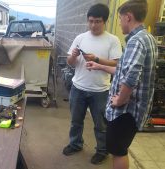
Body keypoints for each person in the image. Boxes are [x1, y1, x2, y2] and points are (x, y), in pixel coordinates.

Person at [86, 0, 157, 168]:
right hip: (134, 110)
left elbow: (132, 76)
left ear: (128, 17)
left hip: (126, 111)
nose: (119, 22)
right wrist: (99, 66)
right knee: (120, 149)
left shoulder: (135, 41)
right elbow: (124, 70)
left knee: (117, 150)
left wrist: (121, 99)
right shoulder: (148, 38)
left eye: (119, 18)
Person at [63, 3, 122, 165]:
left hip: (101, 90)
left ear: (105, 21)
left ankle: (102, 151)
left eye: (97, 21)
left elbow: (116, 65)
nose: (93, 25)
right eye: (90, 21)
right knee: (76, 121)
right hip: (78, 88)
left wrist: (96, 59)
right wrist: (74, 56)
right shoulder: (80, 38)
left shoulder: (113, 40)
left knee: (101, 124)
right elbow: (70, 63)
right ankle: (75, 144)